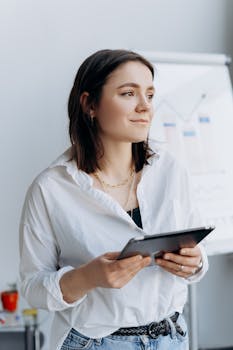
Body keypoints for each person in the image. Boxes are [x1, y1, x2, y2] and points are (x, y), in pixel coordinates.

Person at [19, 49, 208, 350]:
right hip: (94, 342)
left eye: (149, 94)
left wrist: (194, 264)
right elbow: (32, 287)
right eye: (128, 93)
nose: (145, 107)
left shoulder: (171, 169)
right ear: (89, 104)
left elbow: (197, 256)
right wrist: (88, 277)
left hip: (172, 338)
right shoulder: (51, 188)